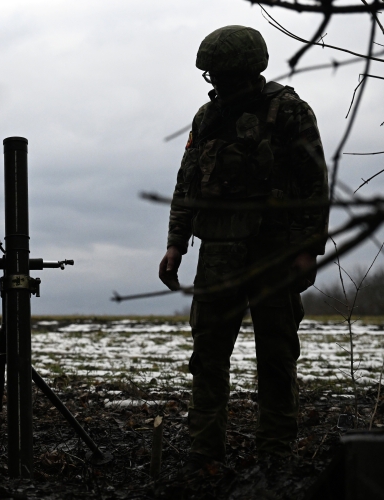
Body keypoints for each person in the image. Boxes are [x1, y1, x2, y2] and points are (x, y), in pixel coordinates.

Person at [158, 25, 329, 470]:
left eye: (218, 72)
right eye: (209, 74)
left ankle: (275, 454)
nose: (213, 81)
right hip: (217, 254)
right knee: (208, 357)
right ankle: (204, 453)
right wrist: (176, 243)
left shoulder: (289, 111)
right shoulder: (206, 118)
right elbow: (187, 182)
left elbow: (315, 185)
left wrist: (308, 249)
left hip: (273, 252)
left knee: (276, 355)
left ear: (242, 70)